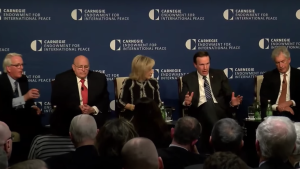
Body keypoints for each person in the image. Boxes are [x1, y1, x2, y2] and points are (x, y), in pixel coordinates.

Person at [180, 51, 242, 154]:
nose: (205, 68)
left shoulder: (219, 74)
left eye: (207, 63)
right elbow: (184, 98)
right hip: (199, 111)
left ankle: (216, 138)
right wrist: (187, 102)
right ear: (195, 65)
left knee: (210, 104)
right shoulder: (188, 79)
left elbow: (228, 95)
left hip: (220, 111)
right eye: (201, 64)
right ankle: (220, 138)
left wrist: (233, 102)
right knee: (207, 104)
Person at [0, 53, 41, 160]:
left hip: (23, 117)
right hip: (7, 118)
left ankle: (33, 158)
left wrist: (32, 106)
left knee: (37, 121)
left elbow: (27, 101)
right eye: (17, 65)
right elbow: (5, 105)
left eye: (22, 65)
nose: (21, 68)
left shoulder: (23, 79)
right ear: (8, 68)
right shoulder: (1, 82)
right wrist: (25, 97)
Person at [51, 55, 109, 129]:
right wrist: (78, 108)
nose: (83, 69)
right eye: (80, 67)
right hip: (70, 115)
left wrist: (93, 109)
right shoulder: (62, 79)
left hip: (93, 115)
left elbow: (104, 100)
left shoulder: (99, 78)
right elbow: (56, 101)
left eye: (86, 67)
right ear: (73, 67)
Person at [260, 46, 300, 121]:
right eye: (277, 63)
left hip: (294, 111)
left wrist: (290, 102)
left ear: (289, 60)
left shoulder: (298, 75)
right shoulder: (269, 76)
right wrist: (278, 107)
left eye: (283, 61)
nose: (281, 66)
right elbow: (264, 99)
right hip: (274, 112)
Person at [118, 55, 162, 120]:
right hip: (132, 116)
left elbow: (158, 102)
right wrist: (132, 107)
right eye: (149, 69)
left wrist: (151, 111)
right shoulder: (128, 82)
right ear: (141, 70)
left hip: (150, 116)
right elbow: (121, 101)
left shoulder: (153, 82)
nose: (152, 72)